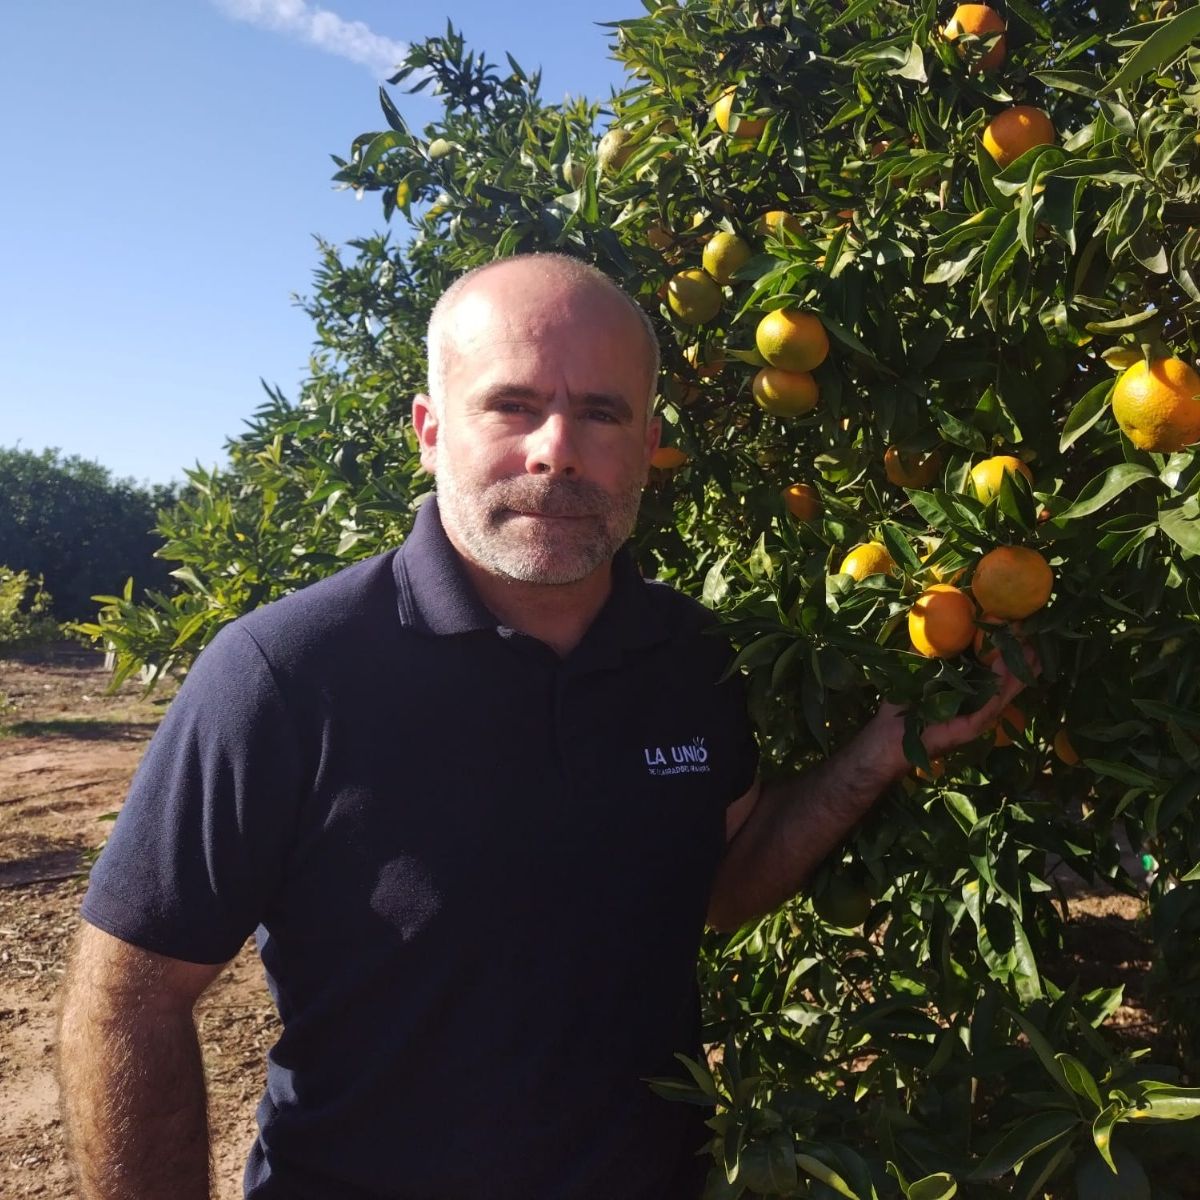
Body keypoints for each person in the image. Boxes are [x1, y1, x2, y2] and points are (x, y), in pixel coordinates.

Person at [57, 254, 1028, 1200]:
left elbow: (724, 887)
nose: (556, 448)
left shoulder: (691, 657)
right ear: (430, 432)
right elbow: (130, 996)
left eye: (601, 412)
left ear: (650, 445)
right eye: (512, 405)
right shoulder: (286, 672)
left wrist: (877, 755)